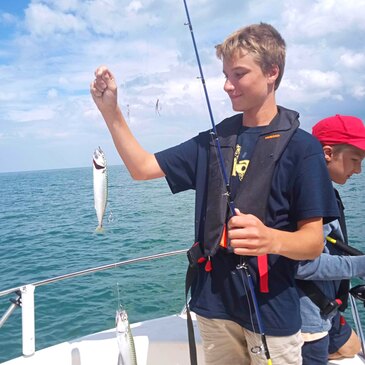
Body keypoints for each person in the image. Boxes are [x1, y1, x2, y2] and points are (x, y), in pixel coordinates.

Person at [90, 23, 339, 365]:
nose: (227, 85)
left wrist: (271, 240)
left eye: (238, 74)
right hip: (212, 306)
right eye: (224, 74)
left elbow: (313, 243)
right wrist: (110, 111)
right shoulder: (213, 141)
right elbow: (142, 168)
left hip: (273, 315)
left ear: (272, 72)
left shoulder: (303, 149)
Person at [296, 114, 365, 364]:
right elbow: (305, 265)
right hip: (309, 318)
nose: (358, 170)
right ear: (327, 153)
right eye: (355, 160)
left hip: (324, 306)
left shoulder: (326, 190)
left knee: (353, 346)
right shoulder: (311, 198)